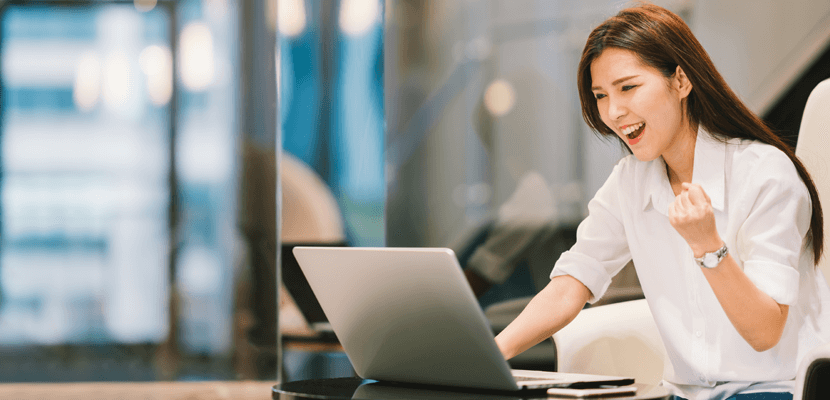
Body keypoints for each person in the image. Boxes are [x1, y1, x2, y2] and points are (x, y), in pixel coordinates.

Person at [494, 4, 830, 400]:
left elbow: (765, 331)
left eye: (628, 87)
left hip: (776, 390)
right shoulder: (629, 181)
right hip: (681, 394)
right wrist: (490, 357)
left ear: (682, 81)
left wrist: (708, 246)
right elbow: (571, 284)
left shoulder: (764, 174)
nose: (614, 112)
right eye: (600, 95)